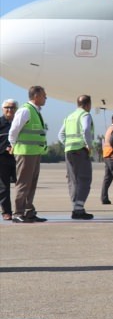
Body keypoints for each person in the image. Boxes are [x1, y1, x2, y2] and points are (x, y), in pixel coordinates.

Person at [8, 85, 49, 223]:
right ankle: (18, 213)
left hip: (34, 153)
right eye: (44, 95)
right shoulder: (25, 110)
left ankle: (28, 211)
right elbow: (13, 130)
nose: (46, 98)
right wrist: (13, 145)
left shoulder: (35, 111)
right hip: (25, 153)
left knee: (31, 183)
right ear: (36, 96)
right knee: (23, 183)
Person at [58, 95, 95, 220]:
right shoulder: (85, 115)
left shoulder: (69, 116)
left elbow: (60, 134)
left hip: (69, 151)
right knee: (84, 179)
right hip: (80, 150)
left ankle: (75, 207)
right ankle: (79, 209)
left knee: (72, 180)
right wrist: (88, 146)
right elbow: (85, 130)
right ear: (88, 104)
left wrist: (68, 144)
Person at [0, 99, 18, 220]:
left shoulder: (20, 123)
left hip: (19, 158)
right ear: (3, 109)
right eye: (7, 107)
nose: (9, 110)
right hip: (2, 159)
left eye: (12, 107)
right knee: (4, 187)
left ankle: (22, 210)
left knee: (22, 185)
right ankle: (7, 212)